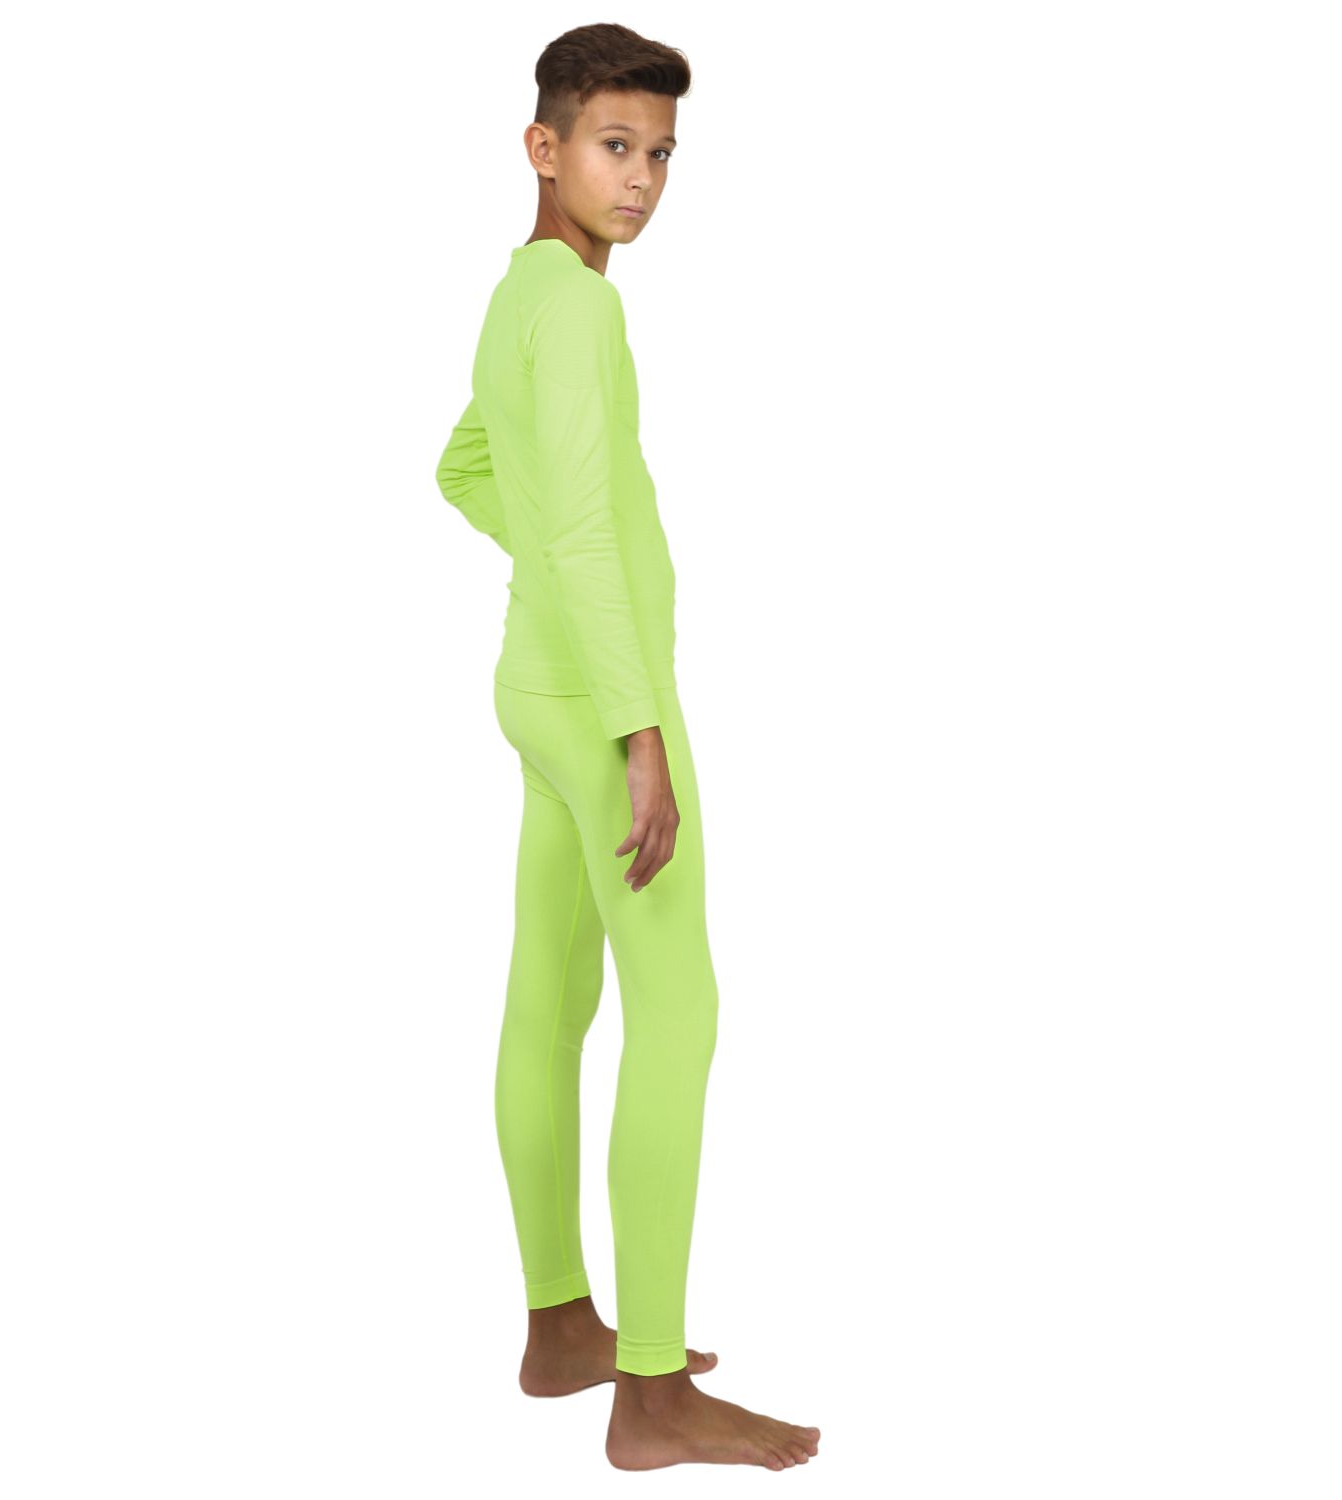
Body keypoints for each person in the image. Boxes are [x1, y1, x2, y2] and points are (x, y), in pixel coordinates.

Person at [433, 23, 821, 1473]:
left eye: (660, 153)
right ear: (544, 149)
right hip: (600, 705)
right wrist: (640, 729)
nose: (642, 177)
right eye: (615, 145)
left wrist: (549, 575)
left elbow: (467, 468)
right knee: (680, 1013)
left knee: (548, 997)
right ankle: (651, 1393)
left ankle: (559, 1323)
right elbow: (582, 527)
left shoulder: (522, 296)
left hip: (533, 688)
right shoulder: (581, 312)